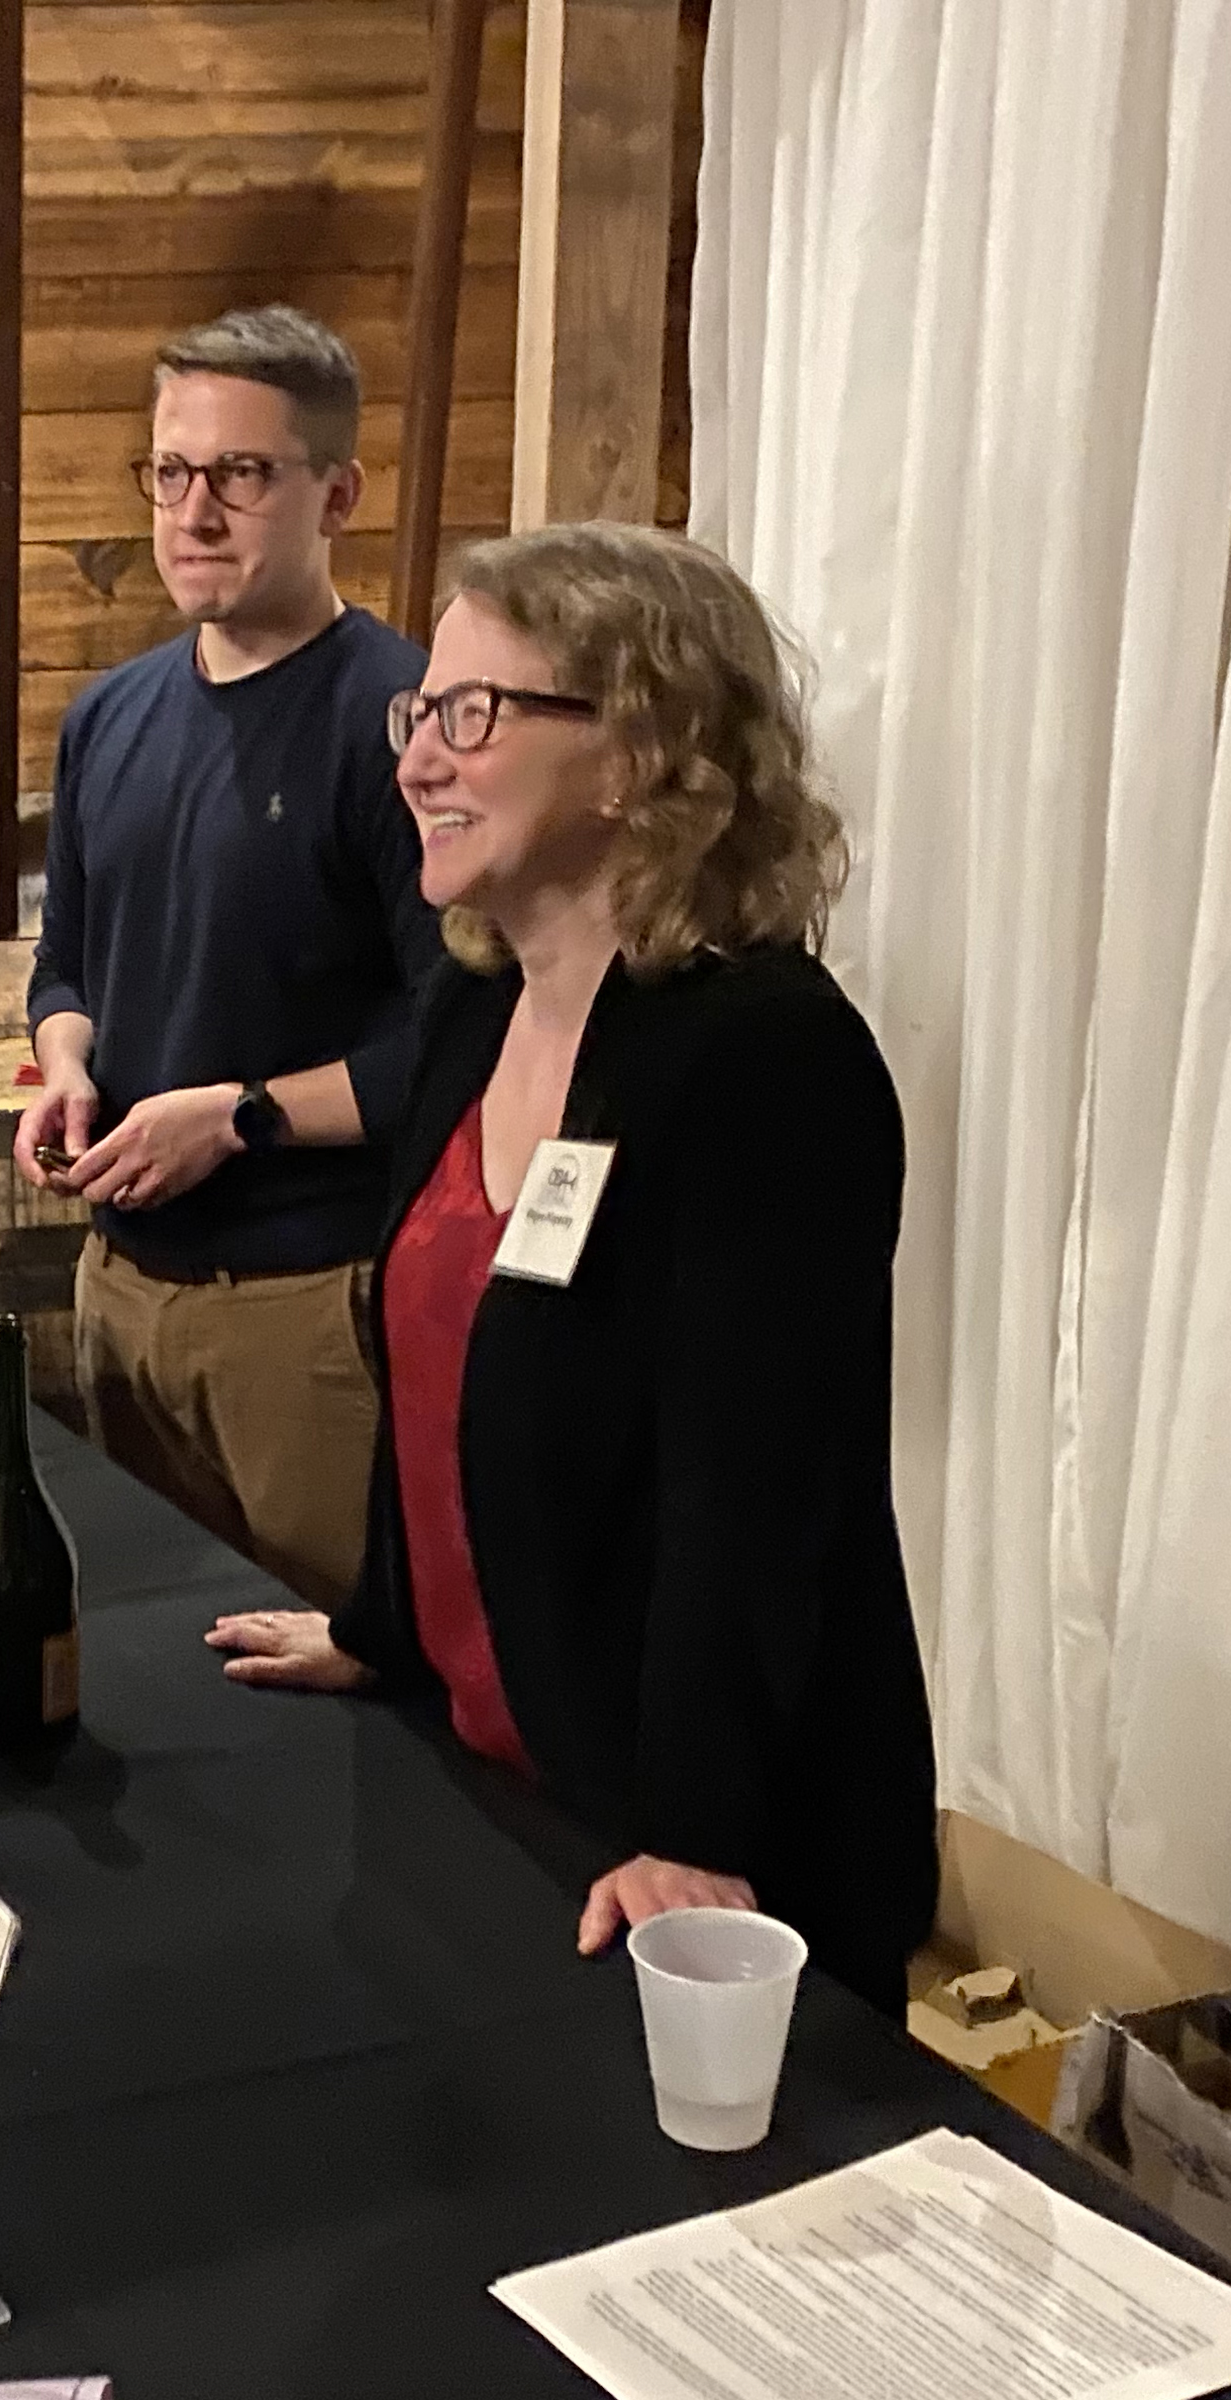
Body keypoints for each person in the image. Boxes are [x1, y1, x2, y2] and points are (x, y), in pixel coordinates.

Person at [203, 522, 939, 2015]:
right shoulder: (474, 1016)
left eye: (472, 716)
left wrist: (693, 1836)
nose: (416, 759)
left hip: (696, 1859)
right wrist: (380, 1628)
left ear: (634, 760)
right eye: (421, 712)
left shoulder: (760, 1058)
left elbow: (752, 1487)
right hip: (504, 1776)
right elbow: (434, 1376)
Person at [15, 305, 445, 1605]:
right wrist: (65, 1070)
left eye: (242, 475)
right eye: (171, 472)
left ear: (336, 494)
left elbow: (459, 1047)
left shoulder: (406, 730)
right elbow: (66, 968)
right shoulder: (108, 717)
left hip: (308, 1309)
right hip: (115, 1290)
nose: (195, 512)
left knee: (331, 1706)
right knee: (151, 1685)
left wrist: (241, 1119)